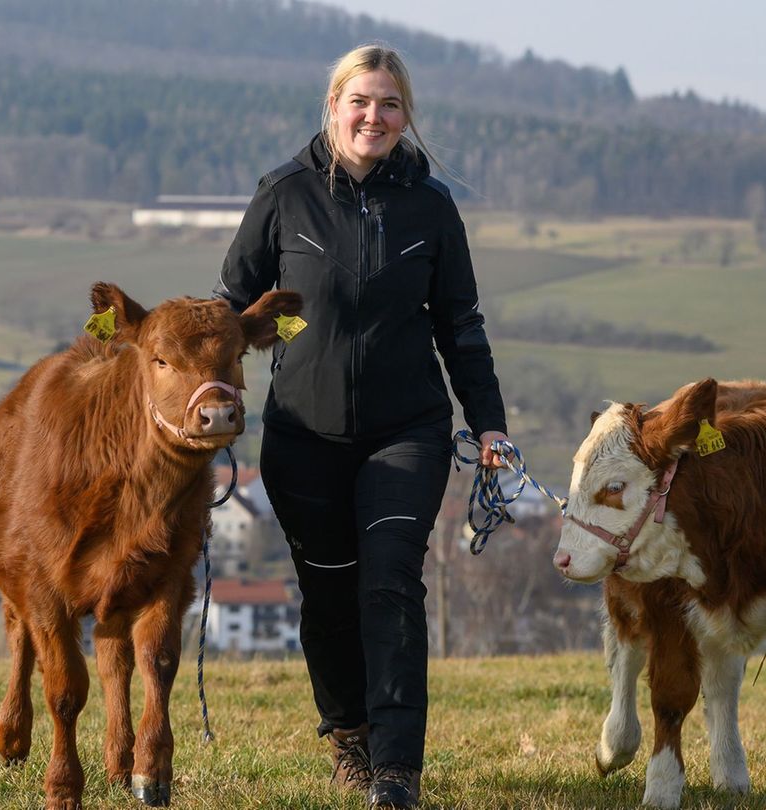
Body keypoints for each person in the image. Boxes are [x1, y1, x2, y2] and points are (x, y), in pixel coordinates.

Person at [214, 43, 510, 810]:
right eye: (361, 101)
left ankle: (397, 769)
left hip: (406, 431)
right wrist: (191, 384)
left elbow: (461, 324)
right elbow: (229, 308)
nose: (374, 117)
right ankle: (348, 733)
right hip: (303, 436)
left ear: (406, 116)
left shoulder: (432, 208)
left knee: (390, 584)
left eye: (389, 104)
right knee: (327, 596)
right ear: (334, 106)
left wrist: (490, 425)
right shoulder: (284, 195)